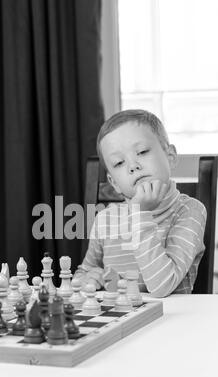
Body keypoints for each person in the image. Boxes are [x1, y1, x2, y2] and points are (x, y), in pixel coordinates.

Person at [74, 109, 207, 297]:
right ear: (114, 183)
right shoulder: (105, 219)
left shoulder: (190, 210)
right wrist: (87, 280)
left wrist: (140, 214)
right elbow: (84, 272)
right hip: (118, 319)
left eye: (142, 152)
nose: (133, 166)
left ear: (171, 156)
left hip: (170, 321)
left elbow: (162, 286)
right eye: (119, 163)